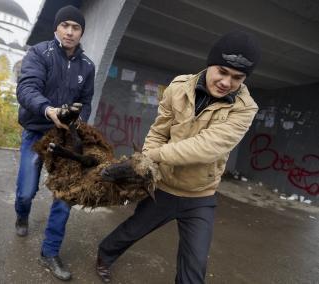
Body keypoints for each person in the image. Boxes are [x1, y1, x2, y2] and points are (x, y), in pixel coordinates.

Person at [95, 30, 261, 283]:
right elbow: (159, 130)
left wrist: (150, 155)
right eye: (222, 71)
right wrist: (144, 166)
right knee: (132, 230)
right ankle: (104, 256)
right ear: (210, 65)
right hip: (164, 187)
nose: (227, 82)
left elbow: (207, 147)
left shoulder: (245, 109)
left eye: (237, 77)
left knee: (194, 265)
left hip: (201, 196)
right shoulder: (179, 88)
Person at [14, 5, 95, 281]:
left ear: (81, 32)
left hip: (66, 140)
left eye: (76, 27)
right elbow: (26, 89)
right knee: (26, 191)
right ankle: (22, 214)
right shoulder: (39, 53)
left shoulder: (88, 66)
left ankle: (50, 251)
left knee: (64, 197)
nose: (70, 31)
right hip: (37, 131)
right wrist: (49, 110)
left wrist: (79, 119)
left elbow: (86, 102)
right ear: (57, 28)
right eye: (66, 26)